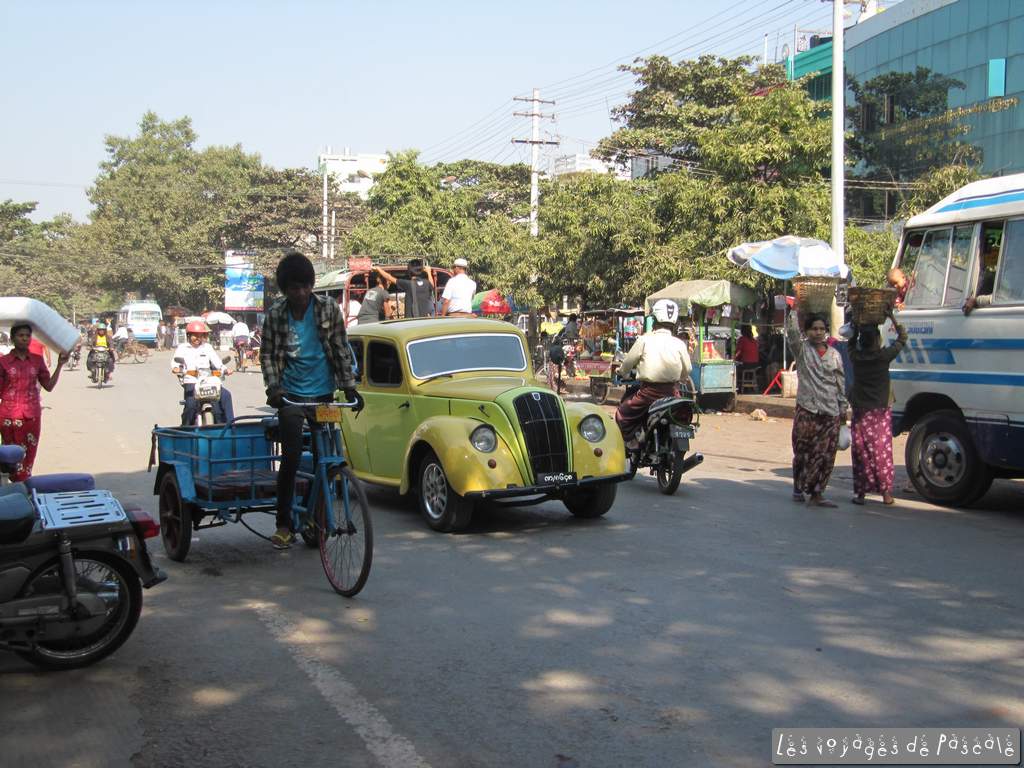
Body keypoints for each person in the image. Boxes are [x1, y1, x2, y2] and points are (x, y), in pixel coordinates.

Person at [261, 250, 360, 549]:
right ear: (285, 289)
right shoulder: (276, 315)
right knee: (291, 457)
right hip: (290, 396)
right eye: (295, 288)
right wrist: (274, 389)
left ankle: (314, 516)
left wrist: (350, 387)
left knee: (325, 460)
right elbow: (268, 355)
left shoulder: (328, 309)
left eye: (305, 286)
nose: (301, 293)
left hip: (323, 394)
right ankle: (283, 524)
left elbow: (340, 348)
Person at [786, 312, 848, 507]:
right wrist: (795, 310)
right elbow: (792, 333)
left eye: (822, 329)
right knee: (802, 451)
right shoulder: (802, 350)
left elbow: (840, 383)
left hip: (830, 412)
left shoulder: (834, 355)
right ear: (807, 331)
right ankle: (798, 487)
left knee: (825, 455)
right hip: (808, 409)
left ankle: (817, 493)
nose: (818, 332)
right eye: (814, 329)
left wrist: (843, 409)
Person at [615, 300, 693, 450]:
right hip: (673, 394)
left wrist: (622, 372)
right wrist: (681, 378)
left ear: (654, 320)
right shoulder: (679, 343)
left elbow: (627, 363)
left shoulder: (644, 340)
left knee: (622, 414)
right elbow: (687, 369)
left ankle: (631, 444)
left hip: (648, 393)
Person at [848, 312, 908, 506]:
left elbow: (850, 344)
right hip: (880, 412)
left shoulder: (856, 357)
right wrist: (892, 318)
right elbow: (902, 338)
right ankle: (886, 494)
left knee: (861, 452)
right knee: (881, 453)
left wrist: (856, 326)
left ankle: (860, 494)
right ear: (877, 341)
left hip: (860, 411)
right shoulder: (883, 357)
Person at [0, 323, 69, 480]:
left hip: (31, 415)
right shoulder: (3, 362)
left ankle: (23, 484)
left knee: (29, 454)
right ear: (12, 338)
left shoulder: (37, 360)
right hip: (8, 417)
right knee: (10, 456)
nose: (25, 338)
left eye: (27, 335)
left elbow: (48, 386)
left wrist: (59, 365)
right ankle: (13, 485)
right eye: (20, 335)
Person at [171, 320, 235, 426]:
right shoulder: (182, 348)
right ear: (188, 335)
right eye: (195, 335)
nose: (198, 338)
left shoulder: (207, 347)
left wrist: (225, 370)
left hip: (209, 382)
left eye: (200, 336)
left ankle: (230, 426)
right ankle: (185, 428)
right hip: (191, 382)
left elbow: (217, 362)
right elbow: (175, 363)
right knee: (191, 405)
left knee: (226, 396)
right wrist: (176, 368)